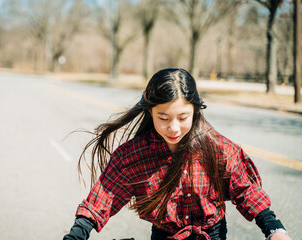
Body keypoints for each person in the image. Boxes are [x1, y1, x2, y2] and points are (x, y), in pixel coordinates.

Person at [63, 68, 291, 240]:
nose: (173, 128)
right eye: (163, 118)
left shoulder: (218, 148)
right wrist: (76, 234)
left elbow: (246, 190)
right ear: (149, 112)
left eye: (183, 118)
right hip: (164, 234)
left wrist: (274, 228)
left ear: (195, 110)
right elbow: (102, 198)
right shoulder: (132, 155)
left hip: (213, 234)